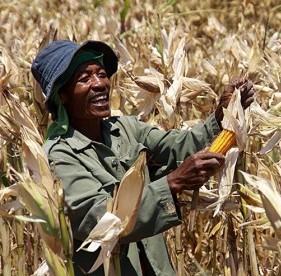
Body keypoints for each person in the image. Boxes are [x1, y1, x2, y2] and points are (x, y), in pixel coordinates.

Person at [31, 40, 254, 275]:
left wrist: (221, 117)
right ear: (62, 95)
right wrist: (172, 183)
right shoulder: (58, 156)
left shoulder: (126, 128)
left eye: (101, 74)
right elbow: (100, 220)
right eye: (84, 79)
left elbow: (180, 148)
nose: (99, 84)